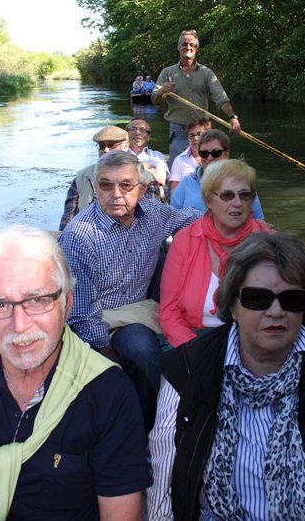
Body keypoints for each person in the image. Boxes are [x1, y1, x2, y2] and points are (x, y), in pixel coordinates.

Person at [147, 232, 305, 521]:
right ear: (233, 305)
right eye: (258, 298)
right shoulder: (187, 369)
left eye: (292, 299)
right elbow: (163, 486)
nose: (276, 311)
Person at [0, 225, 149, 521]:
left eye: (37, 300)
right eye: (0, 304)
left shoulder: (109, 395)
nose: (20, 326)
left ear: (66, 304)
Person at [58, 151, 202, 433]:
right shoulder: (79, 236)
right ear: (96, 188)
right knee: (140, 348)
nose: (115, 194)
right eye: (106, 185)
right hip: (101, 320)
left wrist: (244, 225)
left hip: (139, 306)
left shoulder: (155, 214)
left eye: (125, 185)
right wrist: (109, 358)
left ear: (142, 188)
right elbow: (81, 315)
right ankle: (143, 432)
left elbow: (191, 218)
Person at [159, 159, 273, 348]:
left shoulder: (269, 242)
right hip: (195, 339)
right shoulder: (185, 241)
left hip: (254, 342)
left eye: (245, 195)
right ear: (208, 201)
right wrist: (197, 351)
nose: (237, 203)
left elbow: (284, 309)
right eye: (227, 195)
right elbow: (169, 312)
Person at [152, 29, 241, 167]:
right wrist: (162, 91)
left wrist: (232, 117)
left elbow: (220, 98)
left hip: (202, 130)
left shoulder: (206, 73)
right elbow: (155, 100)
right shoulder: (167, 73)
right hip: (179, 130)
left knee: (207, 167)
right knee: (178, 168)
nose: (188, 47)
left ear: (196, 48)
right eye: (184, 44)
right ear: (178, 47)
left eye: (192, 45)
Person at [171, 128, 265, 220]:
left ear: (226, 154)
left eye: (216, 153)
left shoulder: (242, 183)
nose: (210, 157)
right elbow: (172, 218)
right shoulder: (187, 183)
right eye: (204, 153)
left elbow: (259, 220)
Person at [59, 125, 129, 231]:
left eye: (111, 145)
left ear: (126, 146)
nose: (106, 150)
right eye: (102, 146)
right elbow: (68, 221)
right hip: (86, 239)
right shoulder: (81, 177)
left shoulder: (145, 178)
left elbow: (153, 221)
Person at [169, 118, 211, 194]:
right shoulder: (179, 160)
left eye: (199, 134)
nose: (195, 138)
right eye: (192, 135)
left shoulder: (215, 158)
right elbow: (173, 192)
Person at [127, 117, 169, 189]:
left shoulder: (157, 156)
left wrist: (129, 170)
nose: (137, 132)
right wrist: (148, 168)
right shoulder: (120, 154)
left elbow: (160, 179)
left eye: (142, 130)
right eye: (133, 129)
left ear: (148, 136)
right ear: (126, 134)